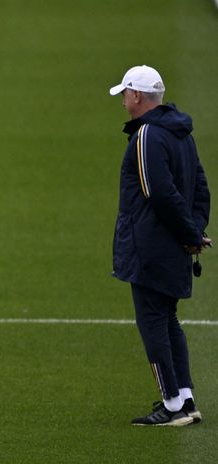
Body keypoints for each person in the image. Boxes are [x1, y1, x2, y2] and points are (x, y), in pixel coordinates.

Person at [109, 65, 211, 426]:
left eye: (125, 93)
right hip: (174, 245)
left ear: (136, 95)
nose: (123, 100)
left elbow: (158, 193)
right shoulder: (181, 133)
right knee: (168, 320)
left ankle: (171, 405)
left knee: (153, 322)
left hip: (151, 246)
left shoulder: (147, 135)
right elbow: (200, 188)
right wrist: (195, 232)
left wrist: (189, 234)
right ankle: (185, 398)